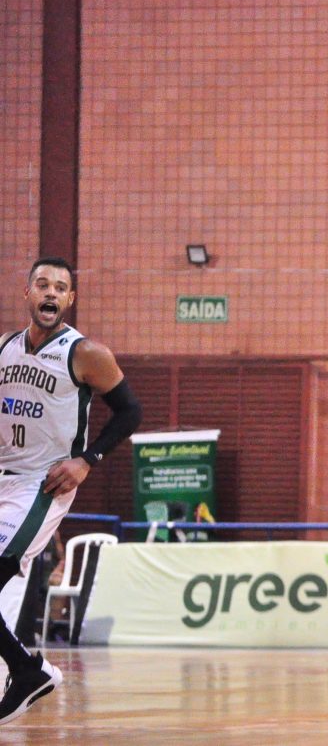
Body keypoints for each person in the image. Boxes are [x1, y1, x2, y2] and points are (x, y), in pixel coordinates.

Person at [0, 257, 142, 724]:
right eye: (42, 284)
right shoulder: (5, 348)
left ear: (70, 299)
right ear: (27, 293)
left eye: (60, 288)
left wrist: (87, 460)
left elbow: (130, 412)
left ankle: (27, 671)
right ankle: (27, 671)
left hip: (41, 486)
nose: (51, 293)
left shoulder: (85, 353)